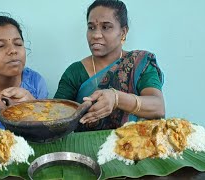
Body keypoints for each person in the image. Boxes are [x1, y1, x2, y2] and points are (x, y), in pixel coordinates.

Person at [54, 0, 165, 132]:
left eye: (106, 27)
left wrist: (116, 98)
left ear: (123, 32)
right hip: (85, 149)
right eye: (91, 27)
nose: (96, 35)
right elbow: (55, 117)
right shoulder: (75, 72)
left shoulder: (139, 63)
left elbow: (158, 108)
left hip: (133, 146)